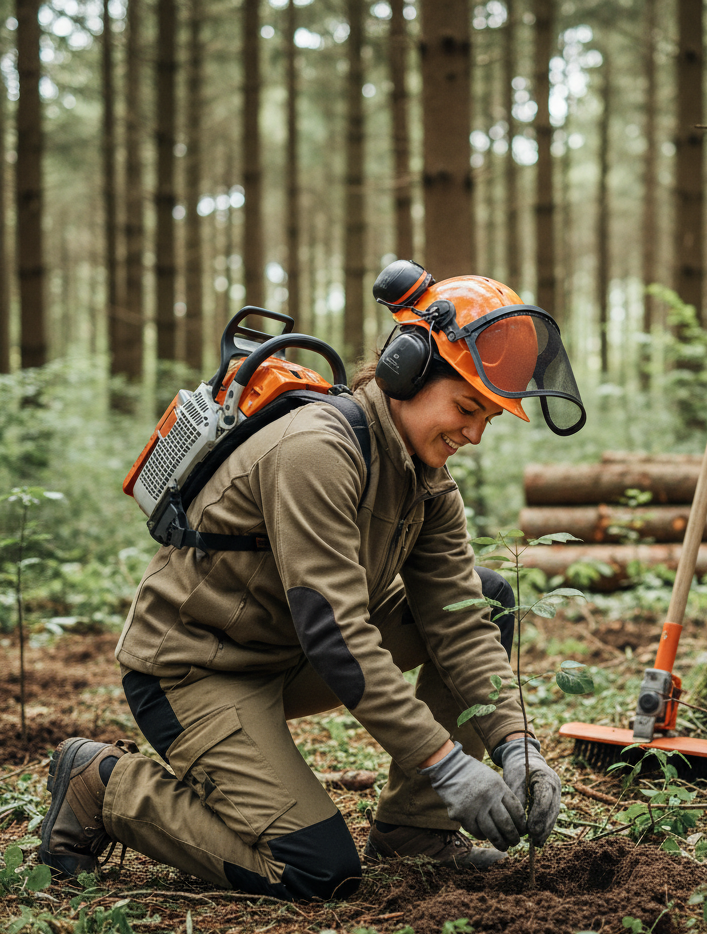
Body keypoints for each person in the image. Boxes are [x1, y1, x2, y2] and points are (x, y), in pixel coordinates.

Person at [39, 261, 586, 901]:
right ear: (405, 370)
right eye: (468, 407)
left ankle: (416, 832)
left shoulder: (429, 484)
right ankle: (102, 785)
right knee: (317, 871)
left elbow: (460, 621)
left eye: (488, 417)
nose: (473, 433)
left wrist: (518, 746)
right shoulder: (316, 450)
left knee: (487, 600)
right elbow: (336, 630)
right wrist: (447, 765)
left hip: (292, 653)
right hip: (197, 670)